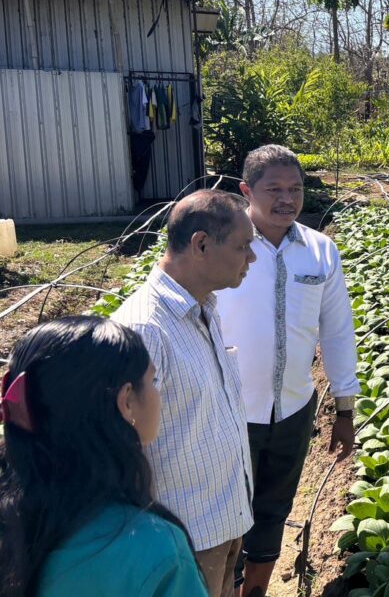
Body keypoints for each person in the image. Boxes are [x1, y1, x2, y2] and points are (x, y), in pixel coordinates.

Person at [216, 145, 359, 597]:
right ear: (246, 191)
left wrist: (345, 409)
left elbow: (336, 331)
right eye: (273, 189)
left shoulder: (320, 251)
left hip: (294, 411)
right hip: (228, 412)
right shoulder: (220, 247)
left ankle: (255, 590)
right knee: (223, 515)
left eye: (295, 188)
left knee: (274, 509)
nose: (286, 199)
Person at [111, 189, 257, 597]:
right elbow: (121, 453)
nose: (252, 257)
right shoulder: (144, 329)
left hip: (223, 522)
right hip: (185, 539)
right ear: (202, 244)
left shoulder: (204, 307)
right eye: (243, 246)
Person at [0, 316, 208, 597]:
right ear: (126, 401)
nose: (158, 393)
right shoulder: (156, 549)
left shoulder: (14, 524)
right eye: (153, 380)